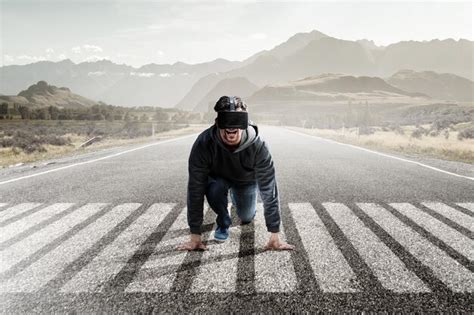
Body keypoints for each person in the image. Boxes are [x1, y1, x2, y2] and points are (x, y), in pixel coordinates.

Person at [177, 95, 294, 251]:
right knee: (215, 188)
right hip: (218, 180)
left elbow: (269, 189)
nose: (231, 128)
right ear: (217, 123)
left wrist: (275, 235)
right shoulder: (203, 143)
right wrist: (195, 236)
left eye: (236, 121)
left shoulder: (259, 146)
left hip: (246, 181)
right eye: (226, 120)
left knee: (246, 217)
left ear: (244, 123)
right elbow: (195, 188)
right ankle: (223, 220)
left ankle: (240, 202)